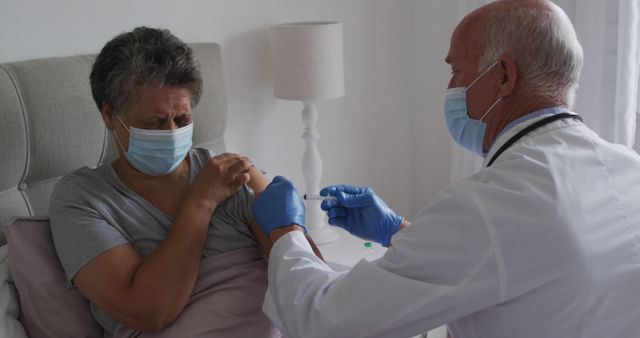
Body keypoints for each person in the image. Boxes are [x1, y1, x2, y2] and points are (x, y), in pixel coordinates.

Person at [251, 1, 640, 337]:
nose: (450, 87)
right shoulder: (628, 167)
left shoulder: (493, 202)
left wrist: (286, 231)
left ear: (504, 76)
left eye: (456, 71)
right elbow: (522, 263)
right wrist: (400, 231)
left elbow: (326, 322)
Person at [49, 26, 320, 336]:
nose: (170, 132)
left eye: (182, 120)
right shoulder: (82, 198)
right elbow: (149, 312)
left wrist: (291, 227)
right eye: (153, 122)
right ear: (110, 115)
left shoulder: (230, 173)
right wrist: (200, 202)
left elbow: (311, 286)